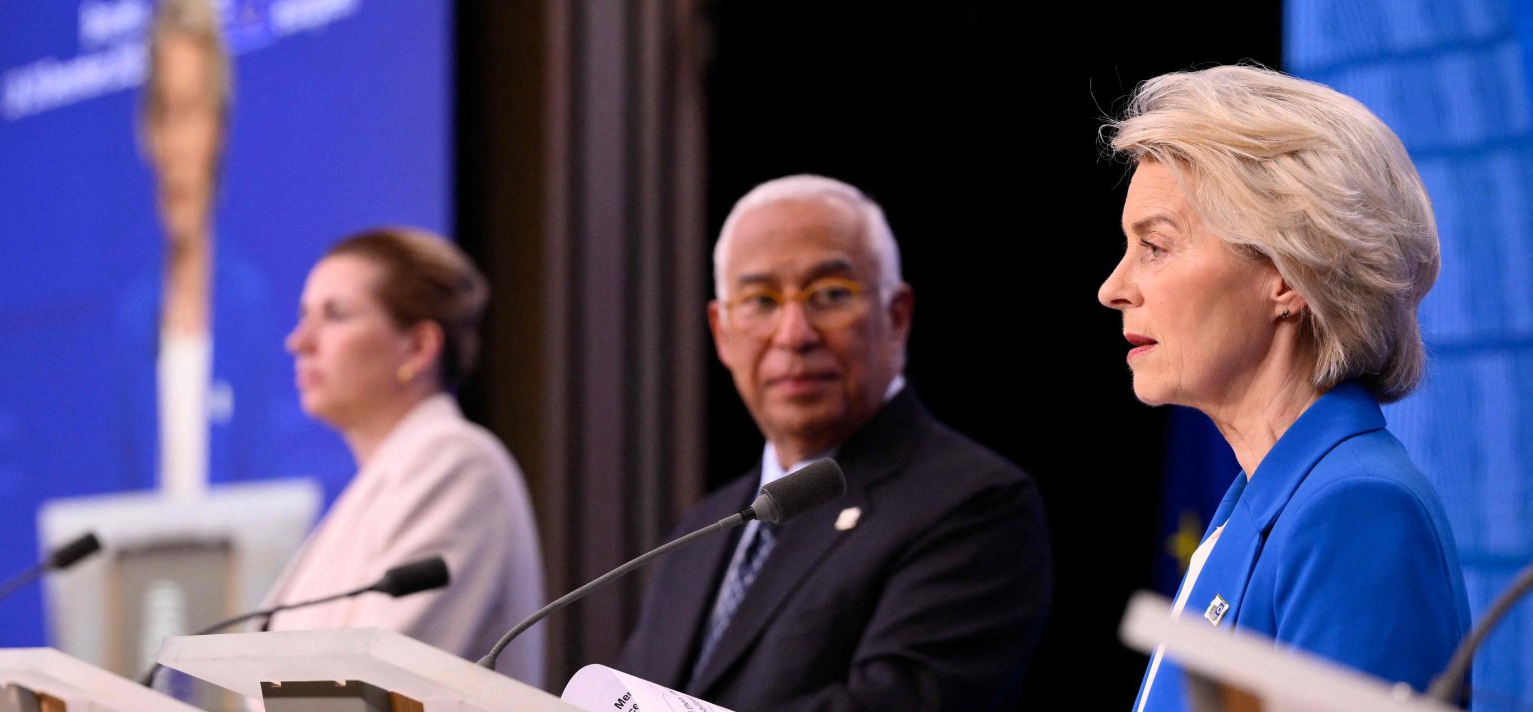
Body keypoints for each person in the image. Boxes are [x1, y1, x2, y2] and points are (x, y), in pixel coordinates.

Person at [1099, 65, 1470, 711]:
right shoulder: (1262, 496)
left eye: (1155, 246)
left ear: (1288, 275)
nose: (1114, 288)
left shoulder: (1355, 511)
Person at [617, 174, 1052, 710]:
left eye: (829, 295)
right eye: (759, 300)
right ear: (722, 333)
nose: (794, 333)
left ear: (896, 317)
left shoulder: (973, 504)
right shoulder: (700, 531)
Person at [263, 227, 547, 687]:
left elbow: (375, 686)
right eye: (303, 316)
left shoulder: (456, 466)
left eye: (335, 315)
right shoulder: (382, 482)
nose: (299, 342)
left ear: (419, 347)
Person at [119, 0, 285, 494]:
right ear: (146, 133)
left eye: (191, 113)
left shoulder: (253, 303)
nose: (175, 147)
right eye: (163, 114)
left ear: (220, 129)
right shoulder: (129, 318)